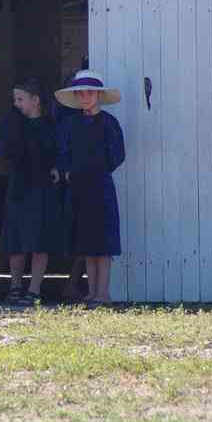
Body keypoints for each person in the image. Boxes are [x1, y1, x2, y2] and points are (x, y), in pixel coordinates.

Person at [55, 71, 125, 307]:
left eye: (90, 92)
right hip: (78, 187)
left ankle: (103, 292)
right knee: (85, 242)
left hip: (100, 186)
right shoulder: (70, 124)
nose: (85, 97)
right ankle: (91, 292)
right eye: (81, 93)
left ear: (98, 95)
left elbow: (117, 154)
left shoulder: (109, 123)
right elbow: (63, 152)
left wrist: (97, 168)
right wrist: (67, 171)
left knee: (103, 243)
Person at [0, 78, 64, 306]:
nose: (16, 104)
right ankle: (15, 287)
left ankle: (34, 289)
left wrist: (56, 167)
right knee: (16, 239)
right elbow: (4, 149)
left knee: (39, 239)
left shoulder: (50, 125)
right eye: (14, 99)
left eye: (21, 99)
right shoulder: (13, 122)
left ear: (35, 101)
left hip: (42, 188)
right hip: (18, 186)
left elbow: (58, 153)